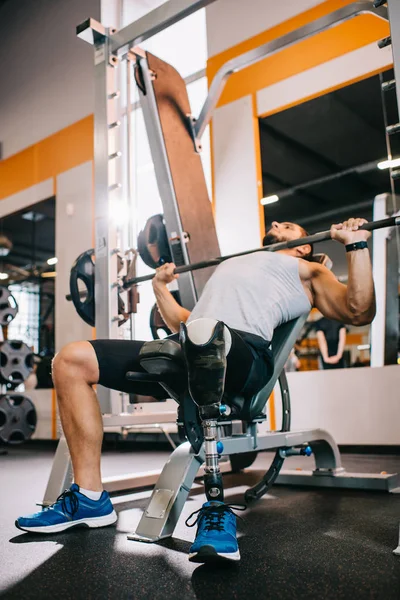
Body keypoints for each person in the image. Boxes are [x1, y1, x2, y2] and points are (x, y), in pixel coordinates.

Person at [15, 218, 376, 564]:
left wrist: (356, 244)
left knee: (206, 334)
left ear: (305, 245)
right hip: (190, 341)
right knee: (71, 359)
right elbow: (182, 322)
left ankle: (216, 507)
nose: (275, 224)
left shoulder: (309, 271)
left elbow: (359, 310)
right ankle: (91, 498)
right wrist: (159, 287)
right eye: (274, 225)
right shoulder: (237, 263)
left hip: (244, 354)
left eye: (286, 226)